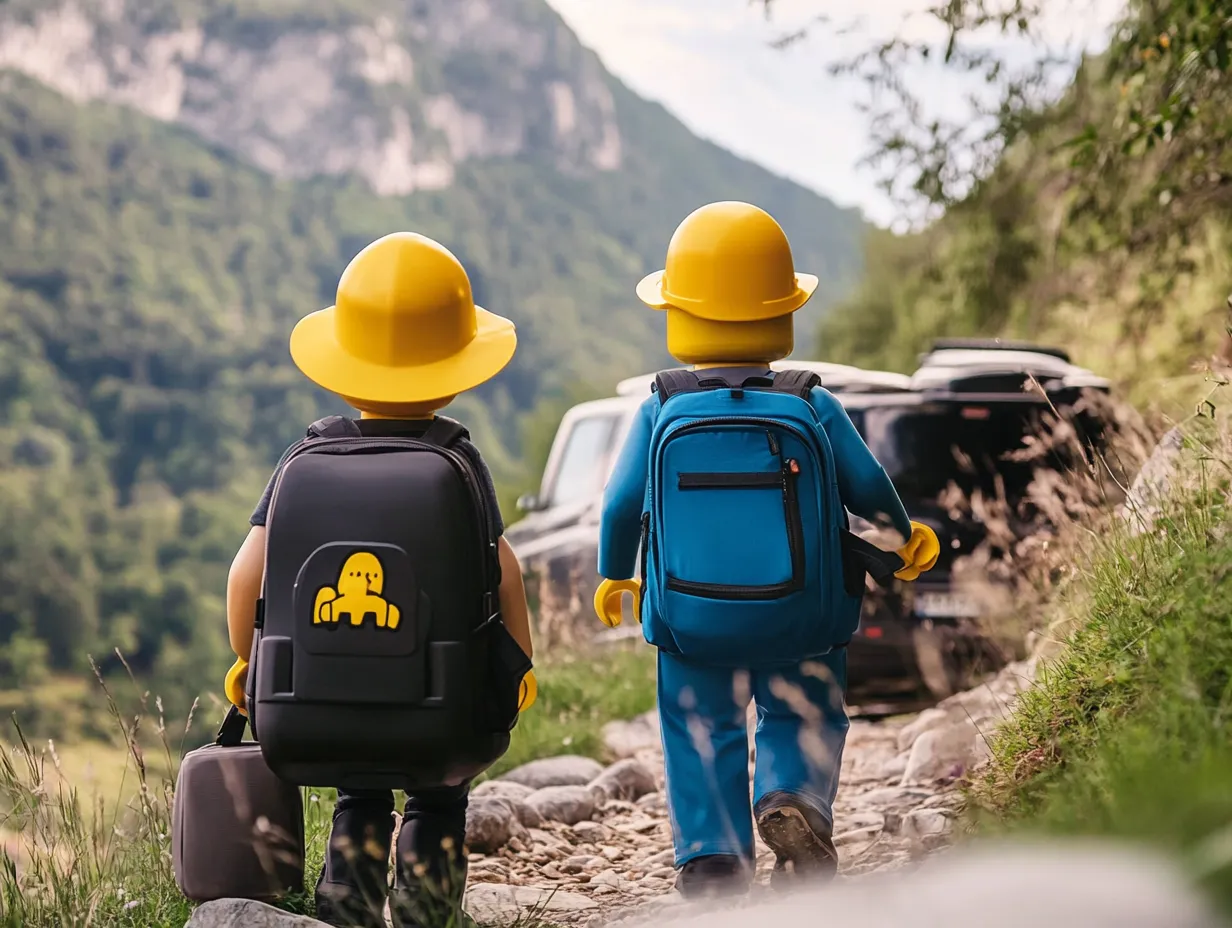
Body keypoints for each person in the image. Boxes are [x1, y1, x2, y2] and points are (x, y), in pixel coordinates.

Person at [593, 202, 939, 897]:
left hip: (690, 618)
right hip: (802, 611)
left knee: (699, 722)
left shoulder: (659, 405)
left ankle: (713, 858)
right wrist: (902, 535)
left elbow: (621, 503)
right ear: (784, 309)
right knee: (803, 710)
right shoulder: (809, 403)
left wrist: (615, 573)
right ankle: (793, 798)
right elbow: (867, 482)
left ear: (676, 311)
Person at [224, 231, 535, 928]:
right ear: (456, 367)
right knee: (440, 791)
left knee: (357, 790)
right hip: (439, 705)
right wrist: (519, 663)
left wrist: (250, 658)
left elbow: (247, 573)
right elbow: (505, 572)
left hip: (322, 699)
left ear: (344, 362)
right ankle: (427, 903)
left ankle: (347, 899)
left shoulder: (307, 454)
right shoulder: (458, 458)